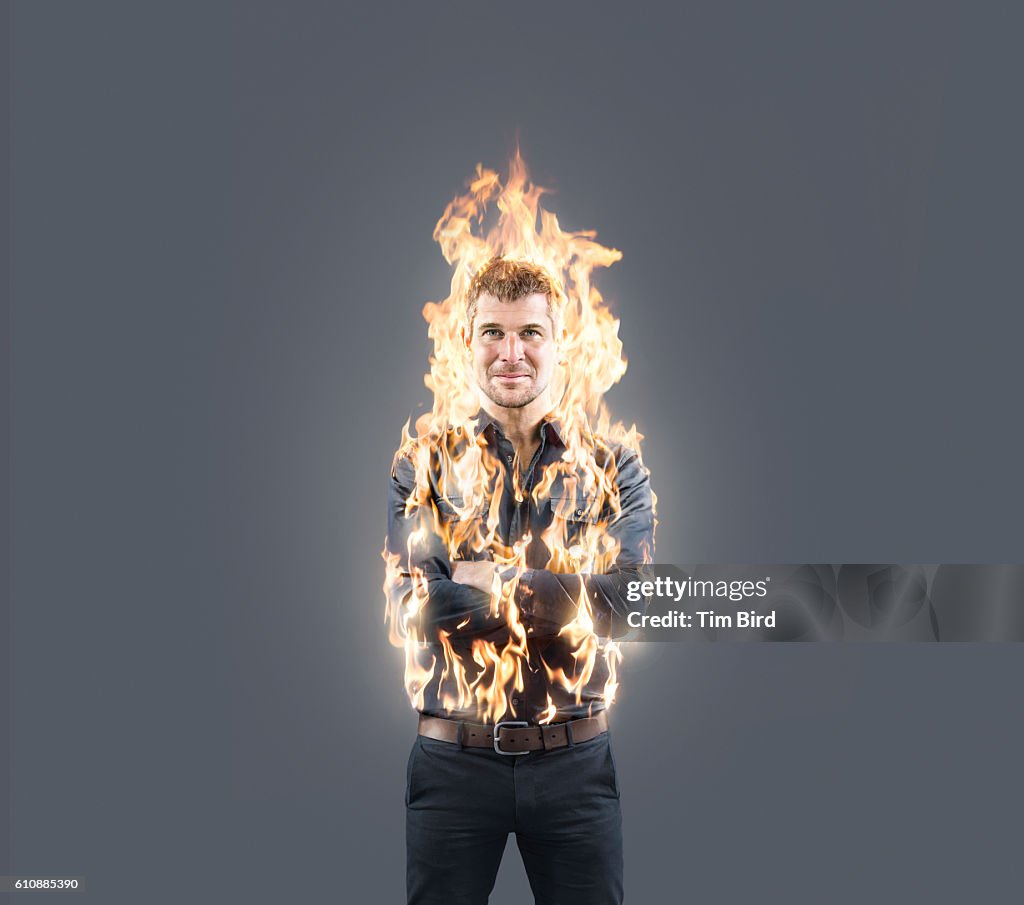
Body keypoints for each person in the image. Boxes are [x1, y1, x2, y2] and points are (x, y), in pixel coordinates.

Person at [386, 256, 655, 905]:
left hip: (576, 765)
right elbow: (417, 607)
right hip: (452, 766)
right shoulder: (423, 464)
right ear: (466, 342)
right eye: (493, 332)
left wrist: (486, 580)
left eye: (531, 331)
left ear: (559, 343)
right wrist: (565, 586)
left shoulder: (614, 467)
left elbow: (628, 603)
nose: (512, 352)